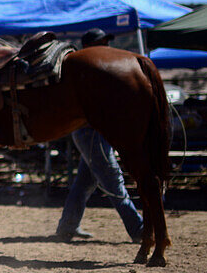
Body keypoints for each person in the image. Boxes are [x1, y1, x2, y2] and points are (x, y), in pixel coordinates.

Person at [55, 29, 144, 243]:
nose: (107, 46)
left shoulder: (95, 70)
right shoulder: (87, 71)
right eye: (101, 43)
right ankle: (138, 228)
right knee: (112, 179)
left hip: (92, 133)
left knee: (85, 182)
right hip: (91, 132)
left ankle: (68, 225)